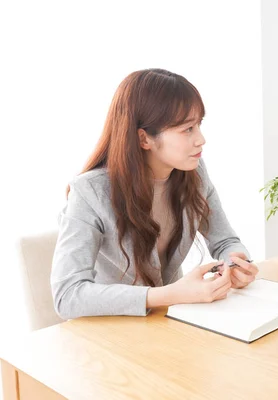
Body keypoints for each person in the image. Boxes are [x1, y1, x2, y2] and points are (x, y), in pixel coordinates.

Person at [51, 68, 258, 319]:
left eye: (199, 125)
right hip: (110, 331)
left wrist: (236, 261)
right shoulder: (90, 193)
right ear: (144, 139)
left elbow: (225, 241)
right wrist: (171, 294)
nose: (201, 139)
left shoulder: (195, 173)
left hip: (167, 322)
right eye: (187, 129)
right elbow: (67, 296)